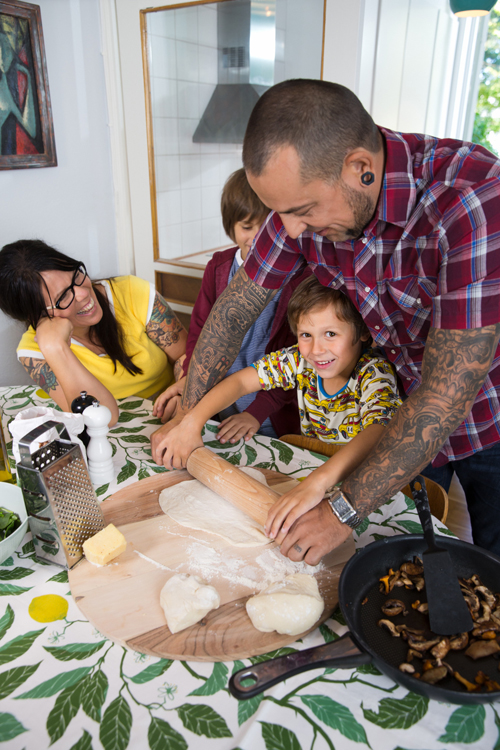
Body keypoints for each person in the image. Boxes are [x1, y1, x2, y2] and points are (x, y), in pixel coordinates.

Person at [151, 79, 500, 562]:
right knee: (412, 558)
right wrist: (192, 419)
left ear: (360, 168)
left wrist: (341, 510)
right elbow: (233, 311)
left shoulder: (470, 197)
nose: (291, 229)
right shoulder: (302, 200)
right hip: (402, 422)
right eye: (279, 213)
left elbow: (446, 392)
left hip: (489, 412)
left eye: (302, 211)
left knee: (493, 561)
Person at [165, 274, 401, 542]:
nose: (317, 349)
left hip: (364, 490)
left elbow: (380, 430)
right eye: (306, 335)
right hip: (317, 475)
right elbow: (242, 382)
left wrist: (318, 481)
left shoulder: (374, 374)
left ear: (363, 333)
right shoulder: (300, 361)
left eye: (331, 334)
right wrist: (192, 421)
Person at [153, 168, 309, 441]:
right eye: (247, 227)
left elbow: (297, 360)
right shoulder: (219, 268)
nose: (258, 240)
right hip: (219, 406)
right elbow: (200, 335)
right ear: (231, 226)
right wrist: (187, 388)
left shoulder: (299, 277)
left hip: (274, 415)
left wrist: (257, 412)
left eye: (267, 229)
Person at [0, 239, 187, 426]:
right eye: (63, 297)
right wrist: (56, 348)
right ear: (37, 316)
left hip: (178, 417)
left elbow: (187, 355)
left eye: (76, 275)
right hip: (111, 437)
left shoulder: (132, 292)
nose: (82, 293)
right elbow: (100, 420)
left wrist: (182, 390)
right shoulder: (35, 351)